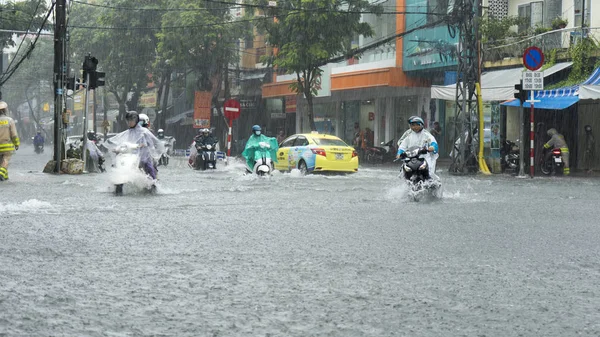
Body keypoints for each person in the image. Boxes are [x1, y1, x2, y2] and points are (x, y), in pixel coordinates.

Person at [107, 111, 163, 180]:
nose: (129, 122)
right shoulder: (127, 133)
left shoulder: (145, 131)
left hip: (144, 157)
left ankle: (153, 183)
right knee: (117, 165)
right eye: (128, 120)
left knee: (148, 167)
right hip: (131, 156)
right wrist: (117, 149)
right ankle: (115, 183)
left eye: (131, 120)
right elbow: (123, 143)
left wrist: (148, 147)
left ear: (136, 120)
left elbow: (155, 142)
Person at [0, 101, 20, 181]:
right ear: (5, 110)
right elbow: (14, 134)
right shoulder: (9, 120)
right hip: (7, 146)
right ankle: (1, 174)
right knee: (5, 160)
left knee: (1, 162)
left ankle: (5, 177)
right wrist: (17, 144)